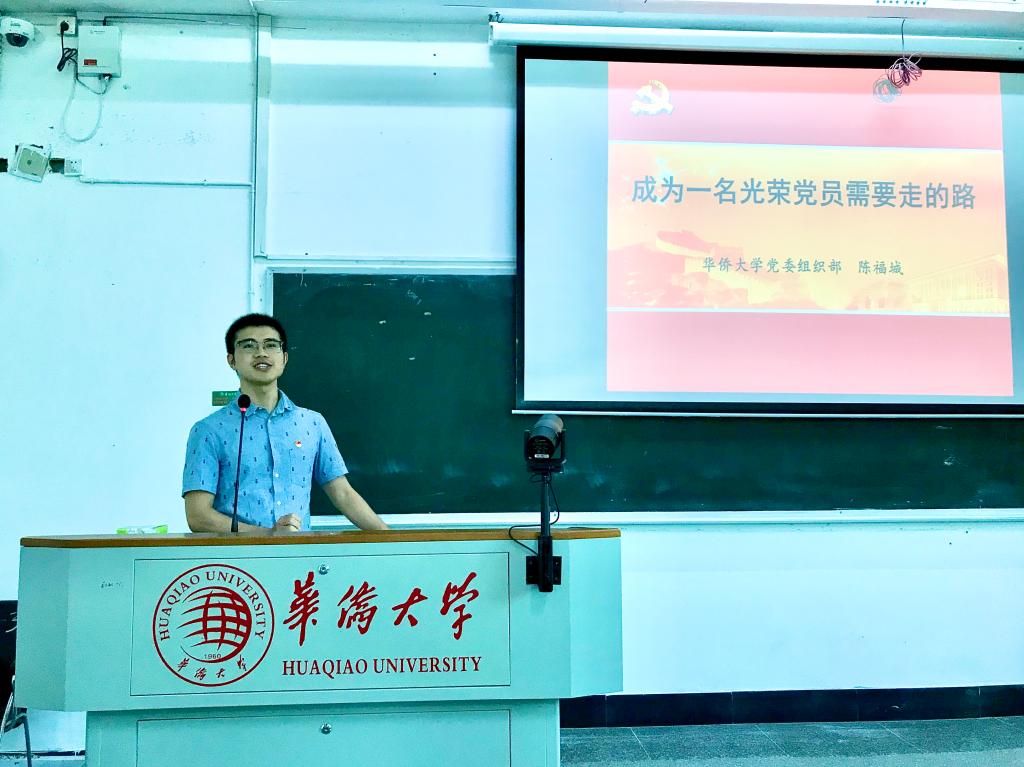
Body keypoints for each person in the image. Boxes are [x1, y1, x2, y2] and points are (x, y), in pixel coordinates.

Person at [182, 313, 388, 533]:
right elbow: (198, 516)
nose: (261, 353)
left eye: (271, 345)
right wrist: (267, 535)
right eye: (249, 345)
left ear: (284, 358)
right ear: (232, 360)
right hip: (238, 554)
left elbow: (343, 494)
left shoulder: (312, 424)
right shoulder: (208, 430)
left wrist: (393, 540)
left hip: (298, 553)